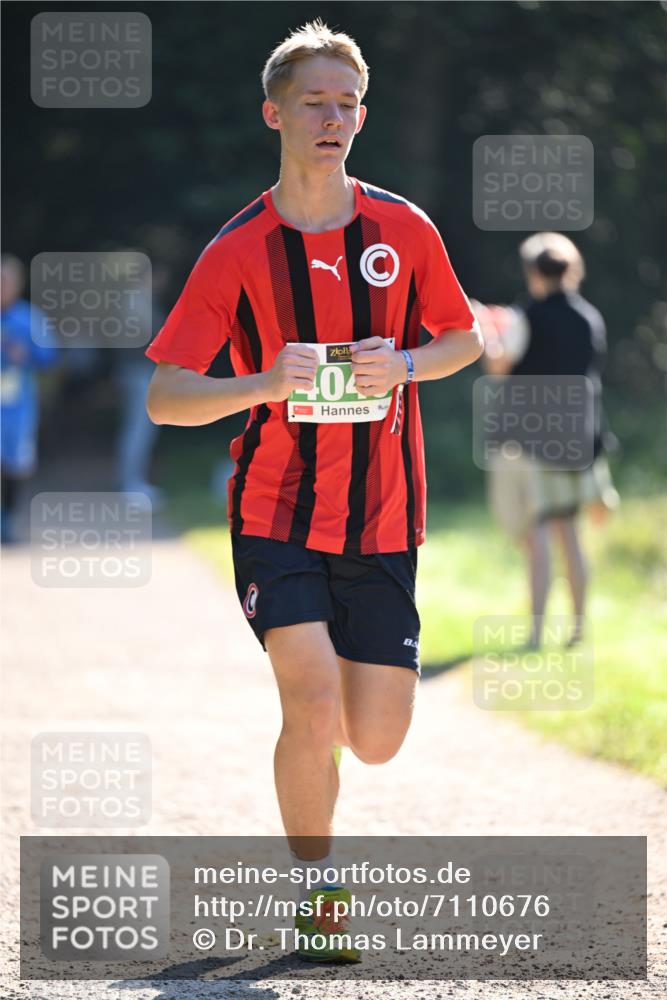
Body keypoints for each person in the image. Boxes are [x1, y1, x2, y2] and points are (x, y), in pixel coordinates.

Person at [145, 19, 482, 962]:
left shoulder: (403, 228)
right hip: (275, 513)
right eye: (312, 103)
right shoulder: (238, 248)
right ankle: (318, 892)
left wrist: (404, 364)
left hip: (383, 518)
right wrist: (265, 380)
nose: (331, 119)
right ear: (275, 114)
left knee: (374, 739)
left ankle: (321, 771)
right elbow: (167, 397)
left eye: (345, 104)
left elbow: (465, 339)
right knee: (311, 700)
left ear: (361, 116)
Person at [478, 233, 619, 649]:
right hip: (578, 438)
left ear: (534, 272)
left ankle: (537, 632)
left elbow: (499, 368)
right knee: (570, 533)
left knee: (537, 534)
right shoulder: (590, 316)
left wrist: (489, 336)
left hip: (532, 440)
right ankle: (577, 629)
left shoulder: (526, 316)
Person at [1, 254, 59, 543]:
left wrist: (27, 355)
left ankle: (8, 519)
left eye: (6, 281)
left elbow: (50, 356)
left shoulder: (30, 319)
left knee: (14, 464)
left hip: (17, 405)